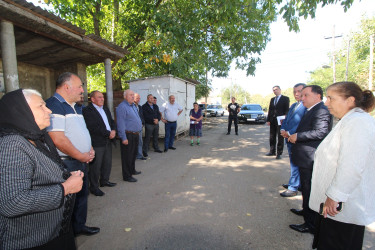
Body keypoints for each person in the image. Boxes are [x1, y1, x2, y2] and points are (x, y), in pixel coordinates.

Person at [0, 89, 83, 249]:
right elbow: (12, 202)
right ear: (21, 112)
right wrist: (65, 188)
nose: (49, 110)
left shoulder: (35, 137)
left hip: (52, 232)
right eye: (41, 106)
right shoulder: (12, 144)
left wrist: (64, 176)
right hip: (33, 240)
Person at [309, 82, 375, 249]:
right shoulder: (349, 120)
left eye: (331, 98)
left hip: (342, 207)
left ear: (350, 100)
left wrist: (335, 196)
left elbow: (352, 165)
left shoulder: (358, 122)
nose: (326, 103)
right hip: (339, 207)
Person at [46, 72, 100, 236]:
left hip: (80, 159)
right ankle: (66, 234)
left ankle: (79, 227)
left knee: (82, 196)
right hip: (67, 162)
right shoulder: (53, 105)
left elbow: (81, 131)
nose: (82, 91)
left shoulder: (76, 107)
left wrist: (89, 148)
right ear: (67, 87)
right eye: (79, 87)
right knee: (68, 200)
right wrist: (80, 155)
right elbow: (58, 139)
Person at [288, 85, 332, 234]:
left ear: (318, 96)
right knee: (306, 189)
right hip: (305, 158)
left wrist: (298, 136)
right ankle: (306, 212)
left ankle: (310, 224)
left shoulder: (321, 110)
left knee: (309, 189)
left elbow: (321, 132)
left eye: (306, 95)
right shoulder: (311, 109)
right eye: (302, 95)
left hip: (310, 158)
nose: (302, 98)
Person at [83, 91, 117, 197]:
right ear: (92, 99)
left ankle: (104, 180)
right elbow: (93, 127)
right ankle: (94, 187)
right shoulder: (87, 111)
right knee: (95, 166)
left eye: (102, 97)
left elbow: (111, 121)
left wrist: (114, 131)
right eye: (99, 97)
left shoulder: (105, 108)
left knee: (107, 163)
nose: (102, 99)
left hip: (108, 140)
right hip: (97, 142)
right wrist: (108, 133)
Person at [279, 83, 306, 198]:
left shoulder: (306, 106)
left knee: (296, 164)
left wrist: (289, 133)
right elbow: (287, 119)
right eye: (295, 91)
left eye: (299, 91)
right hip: (289, 138)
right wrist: (283, 129)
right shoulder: (294, 105)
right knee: (293, 163)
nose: (296, 94)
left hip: (297, 139)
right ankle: (294, 182)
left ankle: (293, 188)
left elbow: (302, 123)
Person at [116, 89, 142, 182]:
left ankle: (132, 170)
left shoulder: (133, 106)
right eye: (130, 95)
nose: (132, 96)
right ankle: (127, 176)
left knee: (133, 154)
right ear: (125, 96)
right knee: (127, 156)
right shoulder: (122, 107)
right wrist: (123, 137)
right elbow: (120, 123)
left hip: (135, 134)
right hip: (128, 135)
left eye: (133, 95)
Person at [266, 85, 290, 159]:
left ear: (280, 90)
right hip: (272, 120)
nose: (275, 91)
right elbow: (270, 109)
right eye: (273, 90)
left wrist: (285, 118)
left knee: (280, 137)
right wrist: (268, 120)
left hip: (280, 120)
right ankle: (272, 151)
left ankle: (279, 153)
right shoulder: (272, 99)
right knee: (272, 136)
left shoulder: (285, 98)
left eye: (276, 89)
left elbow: (287, 109)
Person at [134, 93, 147, 160]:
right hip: (133, 128)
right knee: (134, 142)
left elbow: (142, 116)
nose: (138, 99)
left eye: (139, 98)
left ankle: (139, 155)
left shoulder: (139, 107)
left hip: (140, 127)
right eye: (137, 98)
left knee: (140, 141)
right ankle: (133, 156)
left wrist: (143, 123)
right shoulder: (131, 107)